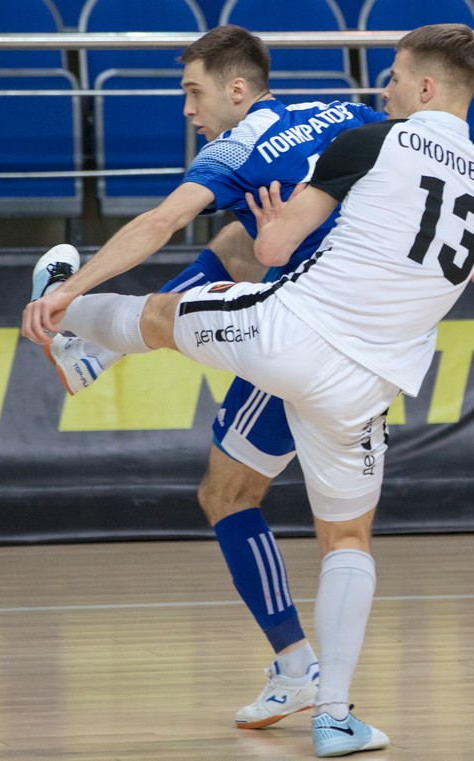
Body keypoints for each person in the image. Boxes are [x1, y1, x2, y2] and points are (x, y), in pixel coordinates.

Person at [24, 23, 474, 757]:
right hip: (371, 382)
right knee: (347, 538)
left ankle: (65, 316)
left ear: (425, 87)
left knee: (171, 318)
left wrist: (277, 227)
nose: (383, 89)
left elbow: (264, 245)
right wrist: (463, 243)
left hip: (295, 330)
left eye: (395, 77)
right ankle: (334, 715)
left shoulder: (366, 138)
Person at [30, 23, 388, 730]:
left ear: (237, 89)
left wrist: (71, 289)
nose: (188, 109)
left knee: (227, 496)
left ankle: (300, 672)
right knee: (239, 237)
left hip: (303, 335)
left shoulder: (237, 145)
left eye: (194, 92)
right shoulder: (341, 112)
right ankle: (96, 351)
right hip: (373, 337)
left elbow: (160, 221)